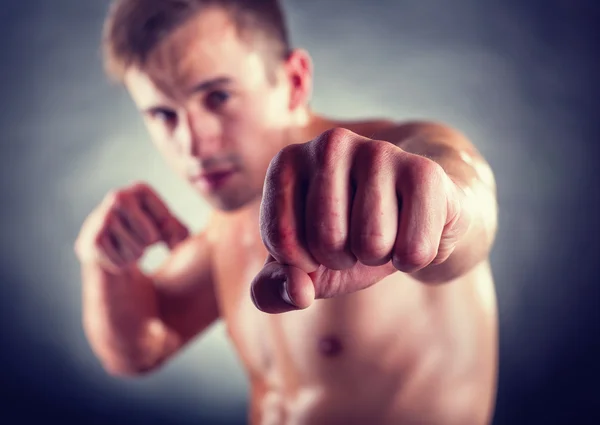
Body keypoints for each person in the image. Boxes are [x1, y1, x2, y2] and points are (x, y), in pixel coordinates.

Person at [74, 1, 499, 424]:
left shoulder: (393, 160)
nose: (191, 145)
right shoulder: (227, 229)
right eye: (164, 114)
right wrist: (106, 264)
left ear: (294, 82)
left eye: (218, 97)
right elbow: (139, 349)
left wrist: (447, 207)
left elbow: (462, 200)